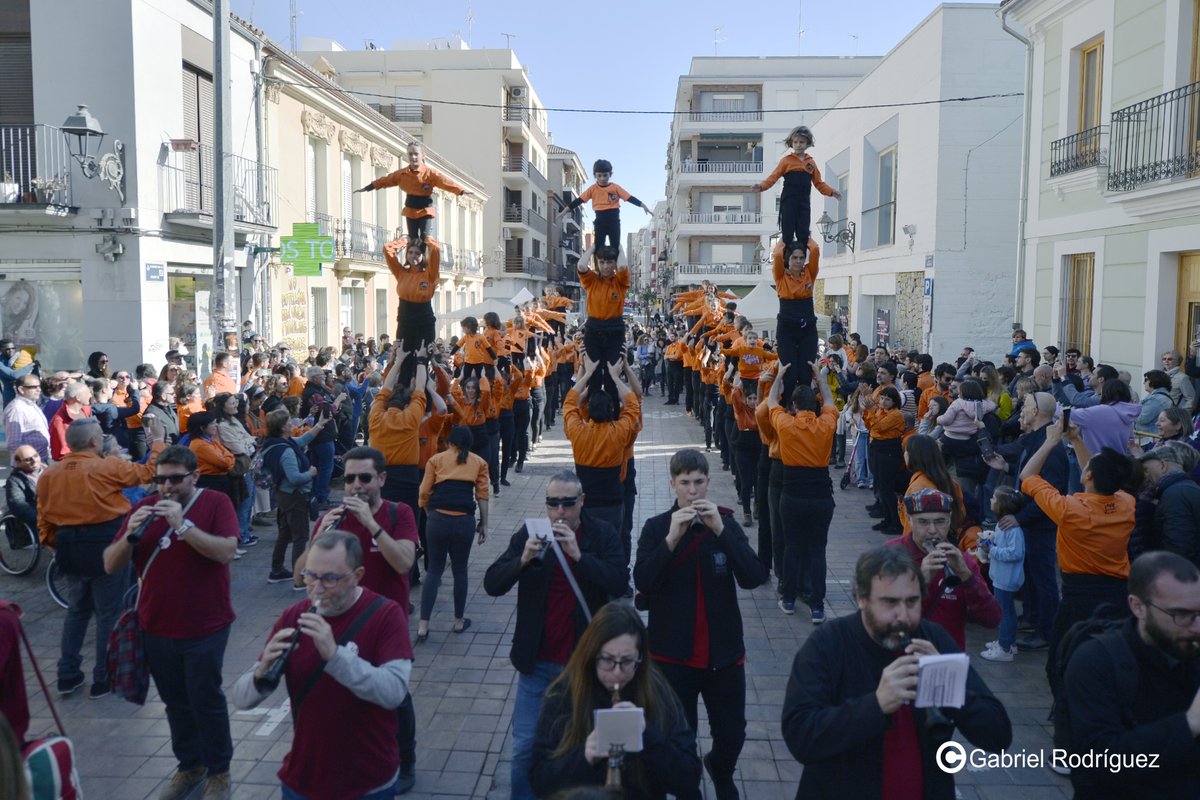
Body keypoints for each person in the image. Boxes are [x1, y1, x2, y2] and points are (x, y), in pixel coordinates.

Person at [781, 546, 1013, 799]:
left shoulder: (932, 639)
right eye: (889, 602)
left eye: (912, 601)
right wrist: (876, 705)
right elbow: (801, 738)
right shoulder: (828, 645)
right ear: (861, 598)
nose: (902, 615)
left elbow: (998, 735)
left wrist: (950, 686)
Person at [100, 444, 238, 800]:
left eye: (175, 479)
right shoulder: (144, 508)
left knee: (205, 698)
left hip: (206, 624)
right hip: (155, 625)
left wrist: (183, 525)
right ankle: (190, 766)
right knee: (175, 701)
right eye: (160, 480)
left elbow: (225, 552)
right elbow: (110, 565)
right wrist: (130, 533)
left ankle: (219, 771)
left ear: (194, 476)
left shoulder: (215, 503)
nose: (166, 487)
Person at [232, 531, 412, 800]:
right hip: (303, 780)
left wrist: (335, 656)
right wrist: (261, 672)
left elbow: (394, 692)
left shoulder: (386, 615)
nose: (316, 588)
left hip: (368, 782)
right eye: (310, 576)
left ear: (357, 576)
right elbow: (240, 699)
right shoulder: (293, 617)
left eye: (329, 579)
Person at [483, 471, 627, 800]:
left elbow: (619, 581)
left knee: (587, 749)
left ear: (582, 503)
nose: (560, 511)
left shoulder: (601, 534)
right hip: (538, 666)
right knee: (524, 751)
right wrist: (522, 560)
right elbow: (493, 583)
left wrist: (580, 557)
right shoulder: (530, 535)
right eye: (552, 503)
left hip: (585, 667)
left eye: (567, 503)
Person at [633, 448, 768, 800]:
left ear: (708, 483)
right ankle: (687, 788)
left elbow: (754, 576)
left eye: (698, 483)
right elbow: (643, 581)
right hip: (672, 656)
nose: (692, 492)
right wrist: (671, 540)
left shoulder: (724, 523)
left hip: (723, 656)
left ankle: (720, 767)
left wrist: (722, 530)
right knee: (680, 737)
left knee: (732, 734)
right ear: (672, 485)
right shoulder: (656, 527)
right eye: (684, 483)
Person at [293, 446, 421, 793]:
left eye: (365, 478)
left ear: (381, 478)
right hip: (337, 623)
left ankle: (405, 759)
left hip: (384, 624)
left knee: (396, 696)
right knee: (343, 692)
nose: (356, 486)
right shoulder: (330, 520)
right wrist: (319, 536)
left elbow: (404, 563)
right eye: (349, 478)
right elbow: (297, 576)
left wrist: (370, 522)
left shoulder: (399, 513)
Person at [38, 417, 166, 698]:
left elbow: (43, 515)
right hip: (105, 540)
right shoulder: (105, 466)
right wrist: (157, 441)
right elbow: (149, 472)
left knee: (77, 611)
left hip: (68, 544)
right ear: (95, 442)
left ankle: (67, 674)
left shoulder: (50, 473)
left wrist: (52, 545)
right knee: (108, 612)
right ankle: (103, 676)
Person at [529, 602, 702, 800]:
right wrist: (583, 757)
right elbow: (539, 781)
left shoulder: (657, 691)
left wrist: (648, 736)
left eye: (627, 661)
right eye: (607, 660)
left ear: (640, 659)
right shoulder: (564, 694)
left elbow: (689, 779)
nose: (617, 673)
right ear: (592, 654)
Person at [1064, 551, 1200, 799]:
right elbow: (1098, 764)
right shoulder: (1096, 661)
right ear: (1137, 606)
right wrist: (1187, 725)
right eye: (1180, 614)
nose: (1196, 626)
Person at [984, 392, 1069, 651]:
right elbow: (1029, 477)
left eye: (1026, 406)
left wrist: (1019, 518)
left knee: (1042, 577)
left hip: (1039, 524)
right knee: (1031, 575)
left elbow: (1049, 492)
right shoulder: (1035, 439)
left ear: (1036, 412)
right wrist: (1006, 468)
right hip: (1030, 521)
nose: (1021, 410)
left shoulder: (1049, 445)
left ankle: (1046, 630)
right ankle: (1032, 617)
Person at [884, 488, 1000, 649]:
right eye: (923, 522)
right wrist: (920, 583)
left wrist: (967, 577)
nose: (932, 530)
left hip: (946, 663)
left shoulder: (961, 560)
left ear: (949, 520)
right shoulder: (889, 555)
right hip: (900, 659)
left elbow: (992, 619)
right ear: (909, 520)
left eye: (940, 521)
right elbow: (880, 619)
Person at [767, 363, 837, 622]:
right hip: (821, 496)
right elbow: (829, 400)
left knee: (792, 548)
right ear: (815, 404)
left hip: (792, 494)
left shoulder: (785, 424)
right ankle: (817, 606)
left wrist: (778, 376)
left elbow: (772, 400)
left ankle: (788, 598)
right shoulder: (827, 423)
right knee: (818, 550)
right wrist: (819, 377)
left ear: (794, 406)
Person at [416, 425, 489, 641]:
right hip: (464, 521)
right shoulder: (478, 462)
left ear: (450, 442)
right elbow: (483, 495)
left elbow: (424, 492)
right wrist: (484, 524)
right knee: (460, 571)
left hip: (437, 519)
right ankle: (458, 622)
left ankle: (423, 626)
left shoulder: (436, 460)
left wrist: (430, 514)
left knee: (434, 571)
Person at [259, 407, 328, 584]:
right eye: (289, 421)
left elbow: (303, 439)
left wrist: (319, 424)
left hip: (282, 494)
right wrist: (311, 474)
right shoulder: (287, 451)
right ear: (282, 428)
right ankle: (300, 577)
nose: (292, 423)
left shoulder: (275, 443)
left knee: (285, 533)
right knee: (300, 536)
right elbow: (295, 478)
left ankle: (277, 570)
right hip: (294, 496)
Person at [355, 141, 470, 242]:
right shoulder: (402, 174)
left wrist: (461, 190)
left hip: (425, 209)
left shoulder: (430, 173)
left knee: (425, 236)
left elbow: (446, 182)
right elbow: (385, 180)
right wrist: (369, 187)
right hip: (410, 208)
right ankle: (412, 263)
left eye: (416, 154)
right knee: (413, 238)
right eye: (410, 154)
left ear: (423, 156)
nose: (413, 157)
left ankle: (425, 260)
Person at [753, 124, 841, 249]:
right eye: (795, 142)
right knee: (788, 233)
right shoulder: (786, 161)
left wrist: (832, 192)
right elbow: (773, 177)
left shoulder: (811, 163)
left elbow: (819, 183)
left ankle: (801, 259)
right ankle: (786, 260)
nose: (798, 145)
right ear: (791, 143)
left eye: (802, 142)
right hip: (789, 200)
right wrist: (761, 186)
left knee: (803, 233)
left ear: (807, 144)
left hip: (804, 201)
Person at [977, 486, 1027, 662]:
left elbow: (1015, 553)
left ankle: (1004, 648)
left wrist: (992, 549)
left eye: (993, 498)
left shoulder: (1012, 529)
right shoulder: (1002, 525)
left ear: (1001, 505)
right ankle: (1009, 643)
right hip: (1001, 576)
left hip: (1006, 578)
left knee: (1004, 612)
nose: (990, 500)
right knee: (1009, 611)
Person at [557, 158, 652, 249]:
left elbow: (629, 198)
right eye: (599, 176)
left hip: (614, 220)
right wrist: (564, 211)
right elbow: (578, 201)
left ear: (610, 174)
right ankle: (599, 264)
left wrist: (642, 205)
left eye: (605, 175)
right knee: (598, 247)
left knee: (615, 246)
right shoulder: (592, 189)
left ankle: (616, 263)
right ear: (595, 175)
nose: (602, 178)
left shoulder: (615, 188)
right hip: (600, 220)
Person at [770, 239, 821, 400]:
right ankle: (786, 405)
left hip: (808, 328)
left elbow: (815, 250)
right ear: (788, 259)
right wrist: (785, 239)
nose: (799, 261)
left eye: (801, 257)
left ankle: (806, 408)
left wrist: (804, 237)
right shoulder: (780, 275)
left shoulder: (809, 273)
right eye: (794, 258)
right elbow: (777, 254)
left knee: (805, 375)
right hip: (787, 329)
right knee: (790, 374)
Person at [576, 244, 631, 394]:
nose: (605, 266)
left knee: (612, 377)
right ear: (597, 263)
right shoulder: (591, 280)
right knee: (593, 377)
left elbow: (622, 267)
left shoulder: (620, 281)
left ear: (614, 263)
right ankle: (594, 412)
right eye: (602, 262)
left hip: (615, 329)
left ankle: (612, 412)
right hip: (594, 328)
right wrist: (594, 247)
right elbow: (581, 265)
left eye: (609, 262)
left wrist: (620, 247)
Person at [4, 372, 48, 462]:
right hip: (29, 465)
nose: (39, 390)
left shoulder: (30, 405)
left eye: (39, 386)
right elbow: (13, 443)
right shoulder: (16, 409)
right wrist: (29, 463)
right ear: (21, 389)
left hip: (40, 461)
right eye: (34, 387)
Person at [5, 444, 42, 540]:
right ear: (18, 462)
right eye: (28, 459)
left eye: (35, 456)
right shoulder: (14, 481)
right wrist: (42, 518)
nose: (34, 461)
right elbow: (18, 506)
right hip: (38, 519)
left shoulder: (48, 470)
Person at [0, 338, 36, 406]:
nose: (11, 351)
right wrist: (31, 365)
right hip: (11, 399)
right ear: (1, 349)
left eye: (13, 348)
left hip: (26, 397)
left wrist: (34, 365)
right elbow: (15, 375)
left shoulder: (20, 359)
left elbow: (34, 375)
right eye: (7, 349)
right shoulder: (0, 363)